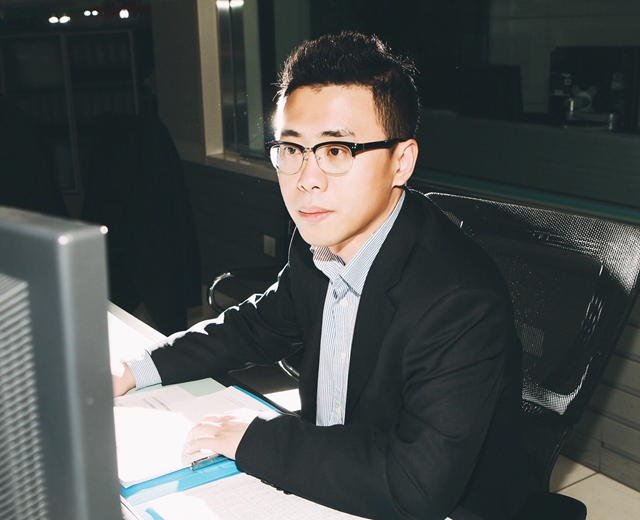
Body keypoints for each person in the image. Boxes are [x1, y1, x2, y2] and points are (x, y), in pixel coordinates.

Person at [113, 31, 538, 520]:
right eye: (292, 149)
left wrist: (258, 440)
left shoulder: (459, 301)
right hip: (333, 475)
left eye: (336, 151)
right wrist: (136, 368)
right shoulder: (320, 240)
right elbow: (254, 327)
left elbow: (416, 487)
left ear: (401, 162)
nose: (306, 180)